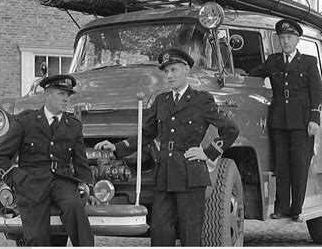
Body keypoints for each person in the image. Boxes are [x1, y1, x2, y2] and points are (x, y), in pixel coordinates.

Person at [94, 49, 239, 246]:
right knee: (160, 229)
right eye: (166, 72)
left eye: (174, 70)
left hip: (190, 174)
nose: (169, 76)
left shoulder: (201, 100)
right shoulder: (162, 101)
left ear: (186, 69)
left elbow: (230, 130)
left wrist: (207, 153)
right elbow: (146, 134)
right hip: (165, 175)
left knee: (190, 232)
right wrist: (117, 147)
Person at [0, 74, 94, 246]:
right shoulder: (26, 122)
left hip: (62, 180)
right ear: (47, 95)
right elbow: (1, 155)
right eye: (61, 94)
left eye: (68, 95)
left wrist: (88, 186)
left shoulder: (74, 126)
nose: (66, 99)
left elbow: (80, 162)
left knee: (76, 211)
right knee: (37, 237)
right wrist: (15, 179)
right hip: (32, 183)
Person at [249, 19, 322, 222]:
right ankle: (281, 208)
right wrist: (240, 74)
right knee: (281, 165)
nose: (285, 41)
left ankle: (296, 209)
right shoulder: (273, 61)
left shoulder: (309, 62)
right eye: (282, 38)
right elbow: (254, 74)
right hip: (279, 120)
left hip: (302, 120)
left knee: (299, 164)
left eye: (289, 37)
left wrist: (314, 118)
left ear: (297, 40)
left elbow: (317, 92)